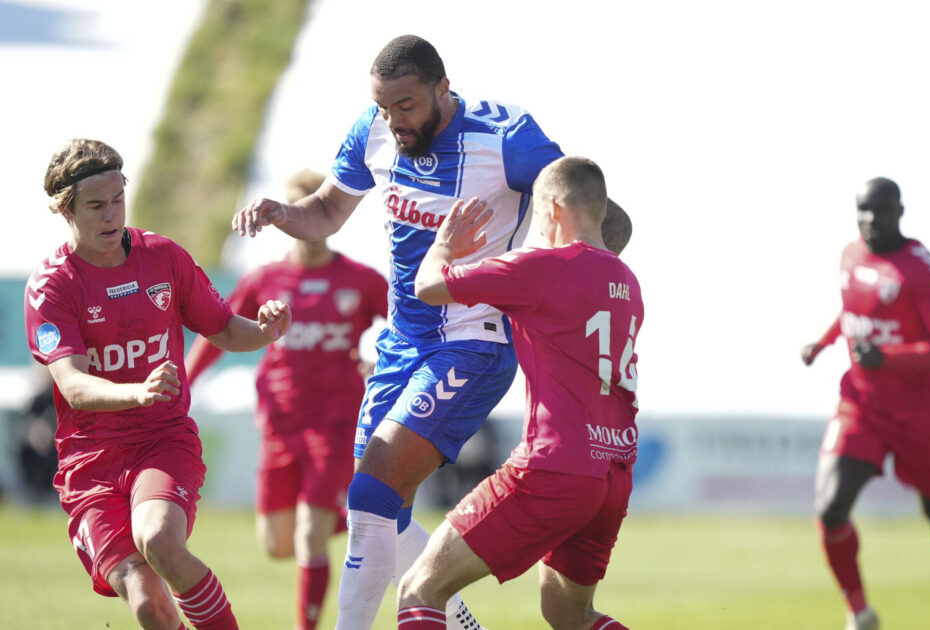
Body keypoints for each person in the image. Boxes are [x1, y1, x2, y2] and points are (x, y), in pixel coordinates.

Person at [231, 35, 632, 630]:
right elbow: (327, 212)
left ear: (443, 89)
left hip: (474, 341)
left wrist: (576, 283)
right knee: (376, 511)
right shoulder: (373, 128)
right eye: (384, 107)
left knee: (371, 492)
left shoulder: (506, 136)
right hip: (402, 344)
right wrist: (282, 214)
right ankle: (459, 622)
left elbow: (591, 213)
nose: (394, 120)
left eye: (407, 106)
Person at [24, 138, 291, 630]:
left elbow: (225, 328)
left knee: (160, 539)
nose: (111, 215)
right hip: (90, 461)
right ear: (66, 211)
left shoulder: (162, 257)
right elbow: (73, 385)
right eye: (96, 206)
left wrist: (266, 331)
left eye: (117, 200)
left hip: (161, 440)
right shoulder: (52, 285)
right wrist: (138, 391)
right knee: (150, 606)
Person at [396, 156, 641, 630]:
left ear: (553, 208)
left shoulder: (541, 267)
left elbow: (428, 286)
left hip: (554, 467)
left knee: (420, 588)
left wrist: (444, 245)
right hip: (612, 473)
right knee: (569, 614)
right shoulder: (627, 283)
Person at [185, 170, 389, 630]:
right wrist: (185, 382)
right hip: (280, 423)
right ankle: (352, 516)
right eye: (295, 215)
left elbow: (406, 327)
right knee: (277, 544)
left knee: (308, 537)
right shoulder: (265, 279)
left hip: (335, 425)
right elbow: (219, 330)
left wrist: (382, 363)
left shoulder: (360, 279)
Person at [801, 177, 930, 630]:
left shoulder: (921, 270)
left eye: (880, 210)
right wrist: (824, 342)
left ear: (900, 212)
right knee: (830, 508)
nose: (870, 219)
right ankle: (860, 614)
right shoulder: (850, 255)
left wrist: (889, 357)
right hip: (862, 404)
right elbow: (855, 311)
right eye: (862, 210)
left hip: (922, 413)